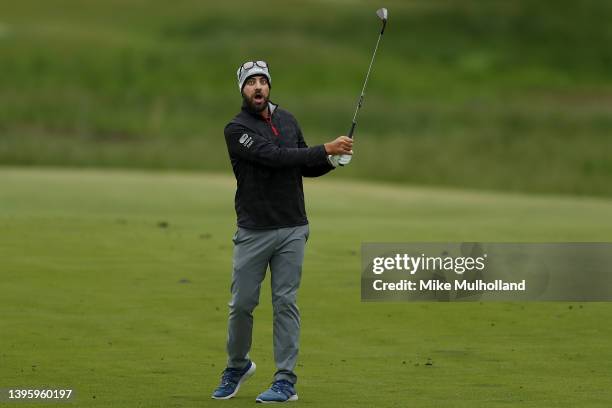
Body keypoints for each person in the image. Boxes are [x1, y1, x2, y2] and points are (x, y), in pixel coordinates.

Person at [211, 60, 353, 403]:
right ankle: (237, 366)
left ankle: (285, 381)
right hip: (254, 230)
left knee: (285, 302)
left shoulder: (288, 120)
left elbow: (302, 164)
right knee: (242, 304)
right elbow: (273, 157)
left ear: (269, 86)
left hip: (292, 227)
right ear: (242, 90)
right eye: (250, 83)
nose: (257, 87)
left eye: (262, 81)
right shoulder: (236, 129)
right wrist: (326, 148)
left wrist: (332, 160)